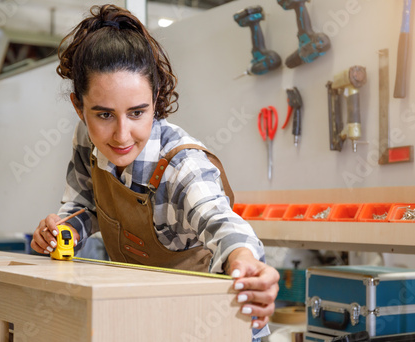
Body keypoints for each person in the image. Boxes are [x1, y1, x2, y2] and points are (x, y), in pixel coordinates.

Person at [30, 4, 279, 340]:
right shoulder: (87, 140)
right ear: (80, 107)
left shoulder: (182, 165)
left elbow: (221, 221)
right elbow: (87, 206)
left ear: (156, 97)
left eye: (137, 113)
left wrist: (243, 260)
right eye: (104, 115)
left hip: (214, 326)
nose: (121, 135)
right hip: (144, 319)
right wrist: (64, 231)